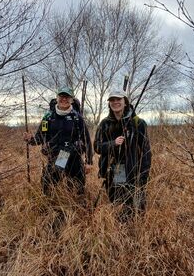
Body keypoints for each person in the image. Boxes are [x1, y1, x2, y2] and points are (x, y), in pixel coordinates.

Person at [24, 86, 93, 195]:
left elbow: (87, 140)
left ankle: (78, 207)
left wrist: (89, 162)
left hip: (74, 156)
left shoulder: (77, 118)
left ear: (71, 100)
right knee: (47, 184)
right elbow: (41, 136)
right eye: (61, 96)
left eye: (67, 97)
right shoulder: (48, 117)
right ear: (57, 98)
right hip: (58, 155)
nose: (64, 99)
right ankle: (49, 205)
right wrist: (30, 140)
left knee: (77, 187)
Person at [94, 90, 151, 219]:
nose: (115, 102)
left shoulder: (138, 123)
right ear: (109, 104)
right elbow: (97, 147)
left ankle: (137, 234)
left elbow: (146, 151)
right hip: (116, 169)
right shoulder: (105, 124)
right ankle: (120, 232)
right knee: (119, 203)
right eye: (112, 100)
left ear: (125, 102)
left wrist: (144, 175)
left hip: (134, 170)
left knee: (138, 207)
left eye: (118, 99)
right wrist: (112, 144)